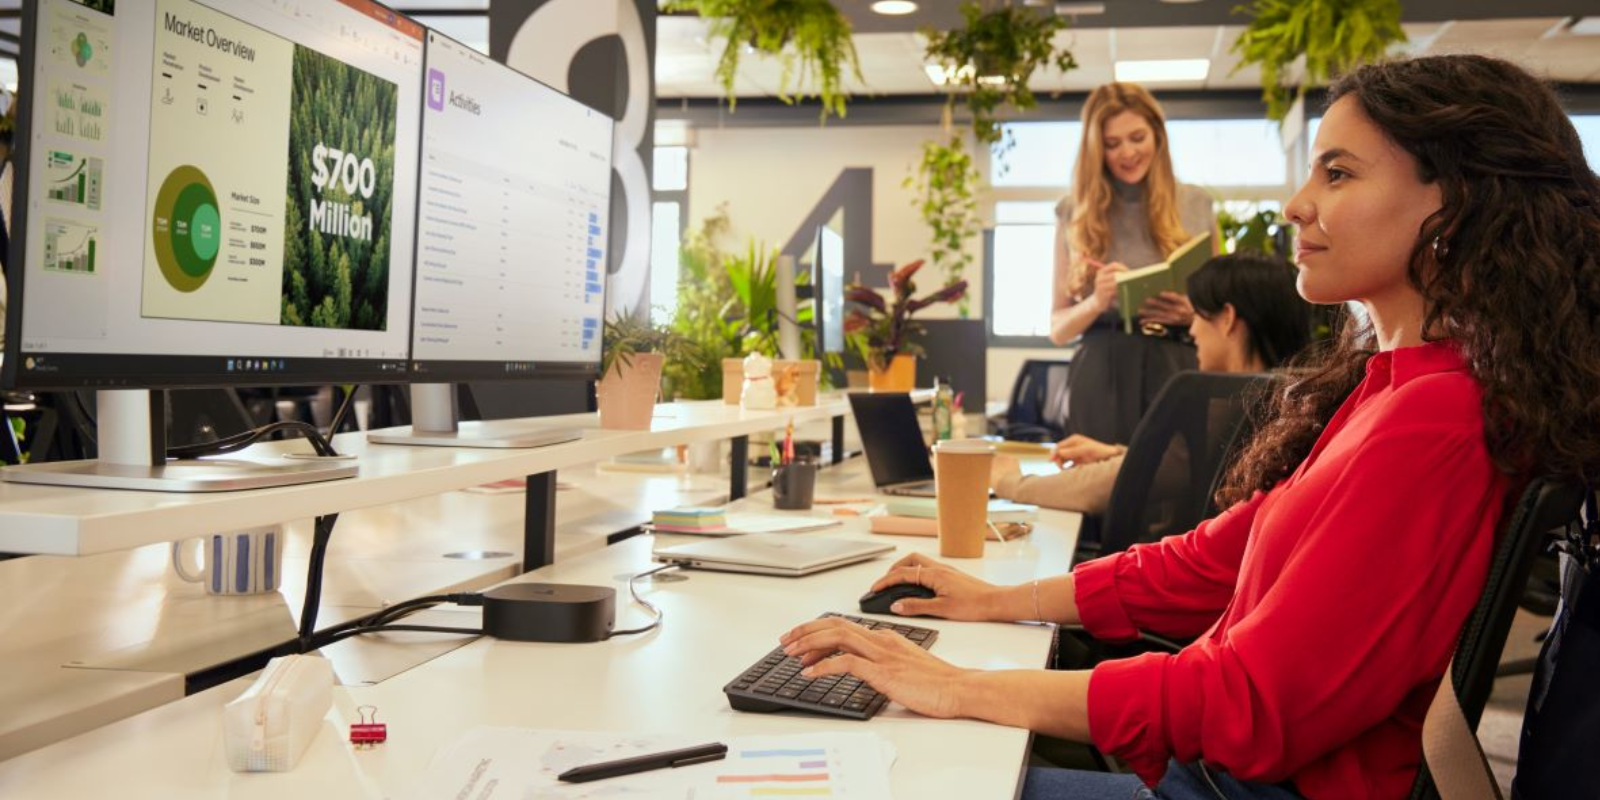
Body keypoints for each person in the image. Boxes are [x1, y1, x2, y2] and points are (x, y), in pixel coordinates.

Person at [781, 54, 1600, 799]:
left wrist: (952, 685)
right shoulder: (1386, 385)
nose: (1295, 203)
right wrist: (997, 601)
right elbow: (1214, 559)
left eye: (1338, 173)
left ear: (1455, 203)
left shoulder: (1436, 417)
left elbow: (1248, 699)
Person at [993, 251, 1311, 514]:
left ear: (1227, 319)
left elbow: (1110, 485)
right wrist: (1115, 452)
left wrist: (1011, 483)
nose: (1192, 331)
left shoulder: (1231, 405)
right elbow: (1179, 465)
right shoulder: (1288, 400)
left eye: (1198, 315)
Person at [1049, 82, 1218, 448]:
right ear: (1096, 150)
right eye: (1112, 144)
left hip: (1179, 364)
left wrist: (1193, 313)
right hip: (1101, 371)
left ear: (1157, 135)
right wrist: (1096, 302)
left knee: (1177, 487)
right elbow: (1058, 329)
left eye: (1137, 137)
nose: (1127, 152)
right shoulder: (1073, 211)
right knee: (1098, 488)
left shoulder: (1196, 203)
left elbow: (1223, 314)